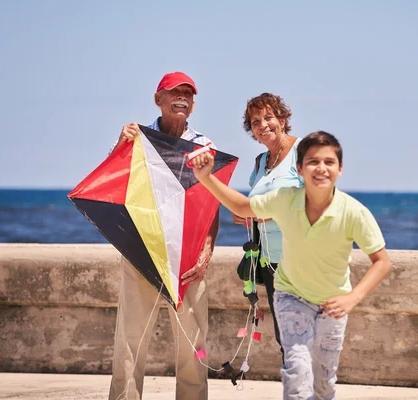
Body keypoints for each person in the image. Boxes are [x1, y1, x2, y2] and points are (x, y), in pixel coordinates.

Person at [190, 131, 391, 400]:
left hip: (333, 304)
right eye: (312, 162)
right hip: (291, 297)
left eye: (329, 162)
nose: (321, 168)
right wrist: (206, 177)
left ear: (340, 169)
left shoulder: (353, 212)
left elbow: (382, 262)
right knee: (297, 372)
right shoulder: (285, 199)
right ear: (299, 168)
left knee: (323, 382)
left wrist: (352, 298)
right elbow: (242, 206)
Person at [109, 71, 218, 400]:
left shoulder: (206, 147)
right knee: (128, 344)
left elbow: (211, 206)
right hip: (142, 251)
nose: (182, 97)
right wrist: (120, 145)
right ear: (159, 99)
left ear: (194, 103)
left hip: (188, 260)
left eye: (188, 93)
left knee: (192, 348)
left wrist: (206, 253)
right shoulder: (137, 139)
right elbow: (110, 184)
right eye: (175, 92)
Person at [232, 93, 303, 360]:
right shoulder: (261, 162)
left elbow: (318, 202)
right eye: (255, 121)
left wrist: (268, 215)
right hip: (271, 262)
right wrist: (245, 216)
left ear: (283, 119)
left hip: (301, 261)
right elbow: (255, 206)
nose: (263, 125)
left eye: (269, 117)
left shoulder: (303, 151)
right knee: (285, 338)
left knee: (304, 339)